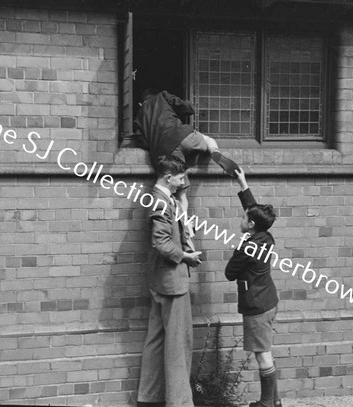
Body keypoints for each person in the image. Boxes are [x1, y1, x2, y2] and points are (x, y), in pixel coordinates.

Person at [137, 155, 202, 407]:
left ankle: (149, 396)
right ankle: (180, 402)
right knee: (178, 344)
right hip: (172, 281)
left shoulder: (165, 198)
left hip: (161, 280)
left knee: (156, 340)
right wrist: (186, 257)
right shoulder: (161, 201)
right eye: (180, 178)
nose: (182, 182)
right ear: (168, 177)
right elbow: (161, 241)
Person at [133, 88, 240, 215]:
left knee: (181, 196)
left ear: (140, 103)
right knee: (207, 139)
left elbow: (142, 141)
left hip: (167, 151)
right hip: (182, 135)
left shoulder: (138, 117)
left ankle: (184, 226)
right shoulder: (162, 96)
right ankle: (214, 152)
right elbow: (185, 106)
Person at [225, 168, 282, 407]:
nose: (241, 218)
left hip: (257, 305)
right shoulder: (264, 235)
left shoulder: (248, 247)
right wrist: (242, 183)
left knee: (262, 354)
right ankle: (273, 401)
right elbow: (255, 211)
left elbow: (229, 273)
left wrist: (240, 245)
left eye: (243, 217)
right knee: (265, 350)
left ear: (250, 224)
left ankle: (267, 403)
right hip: (268, 300)